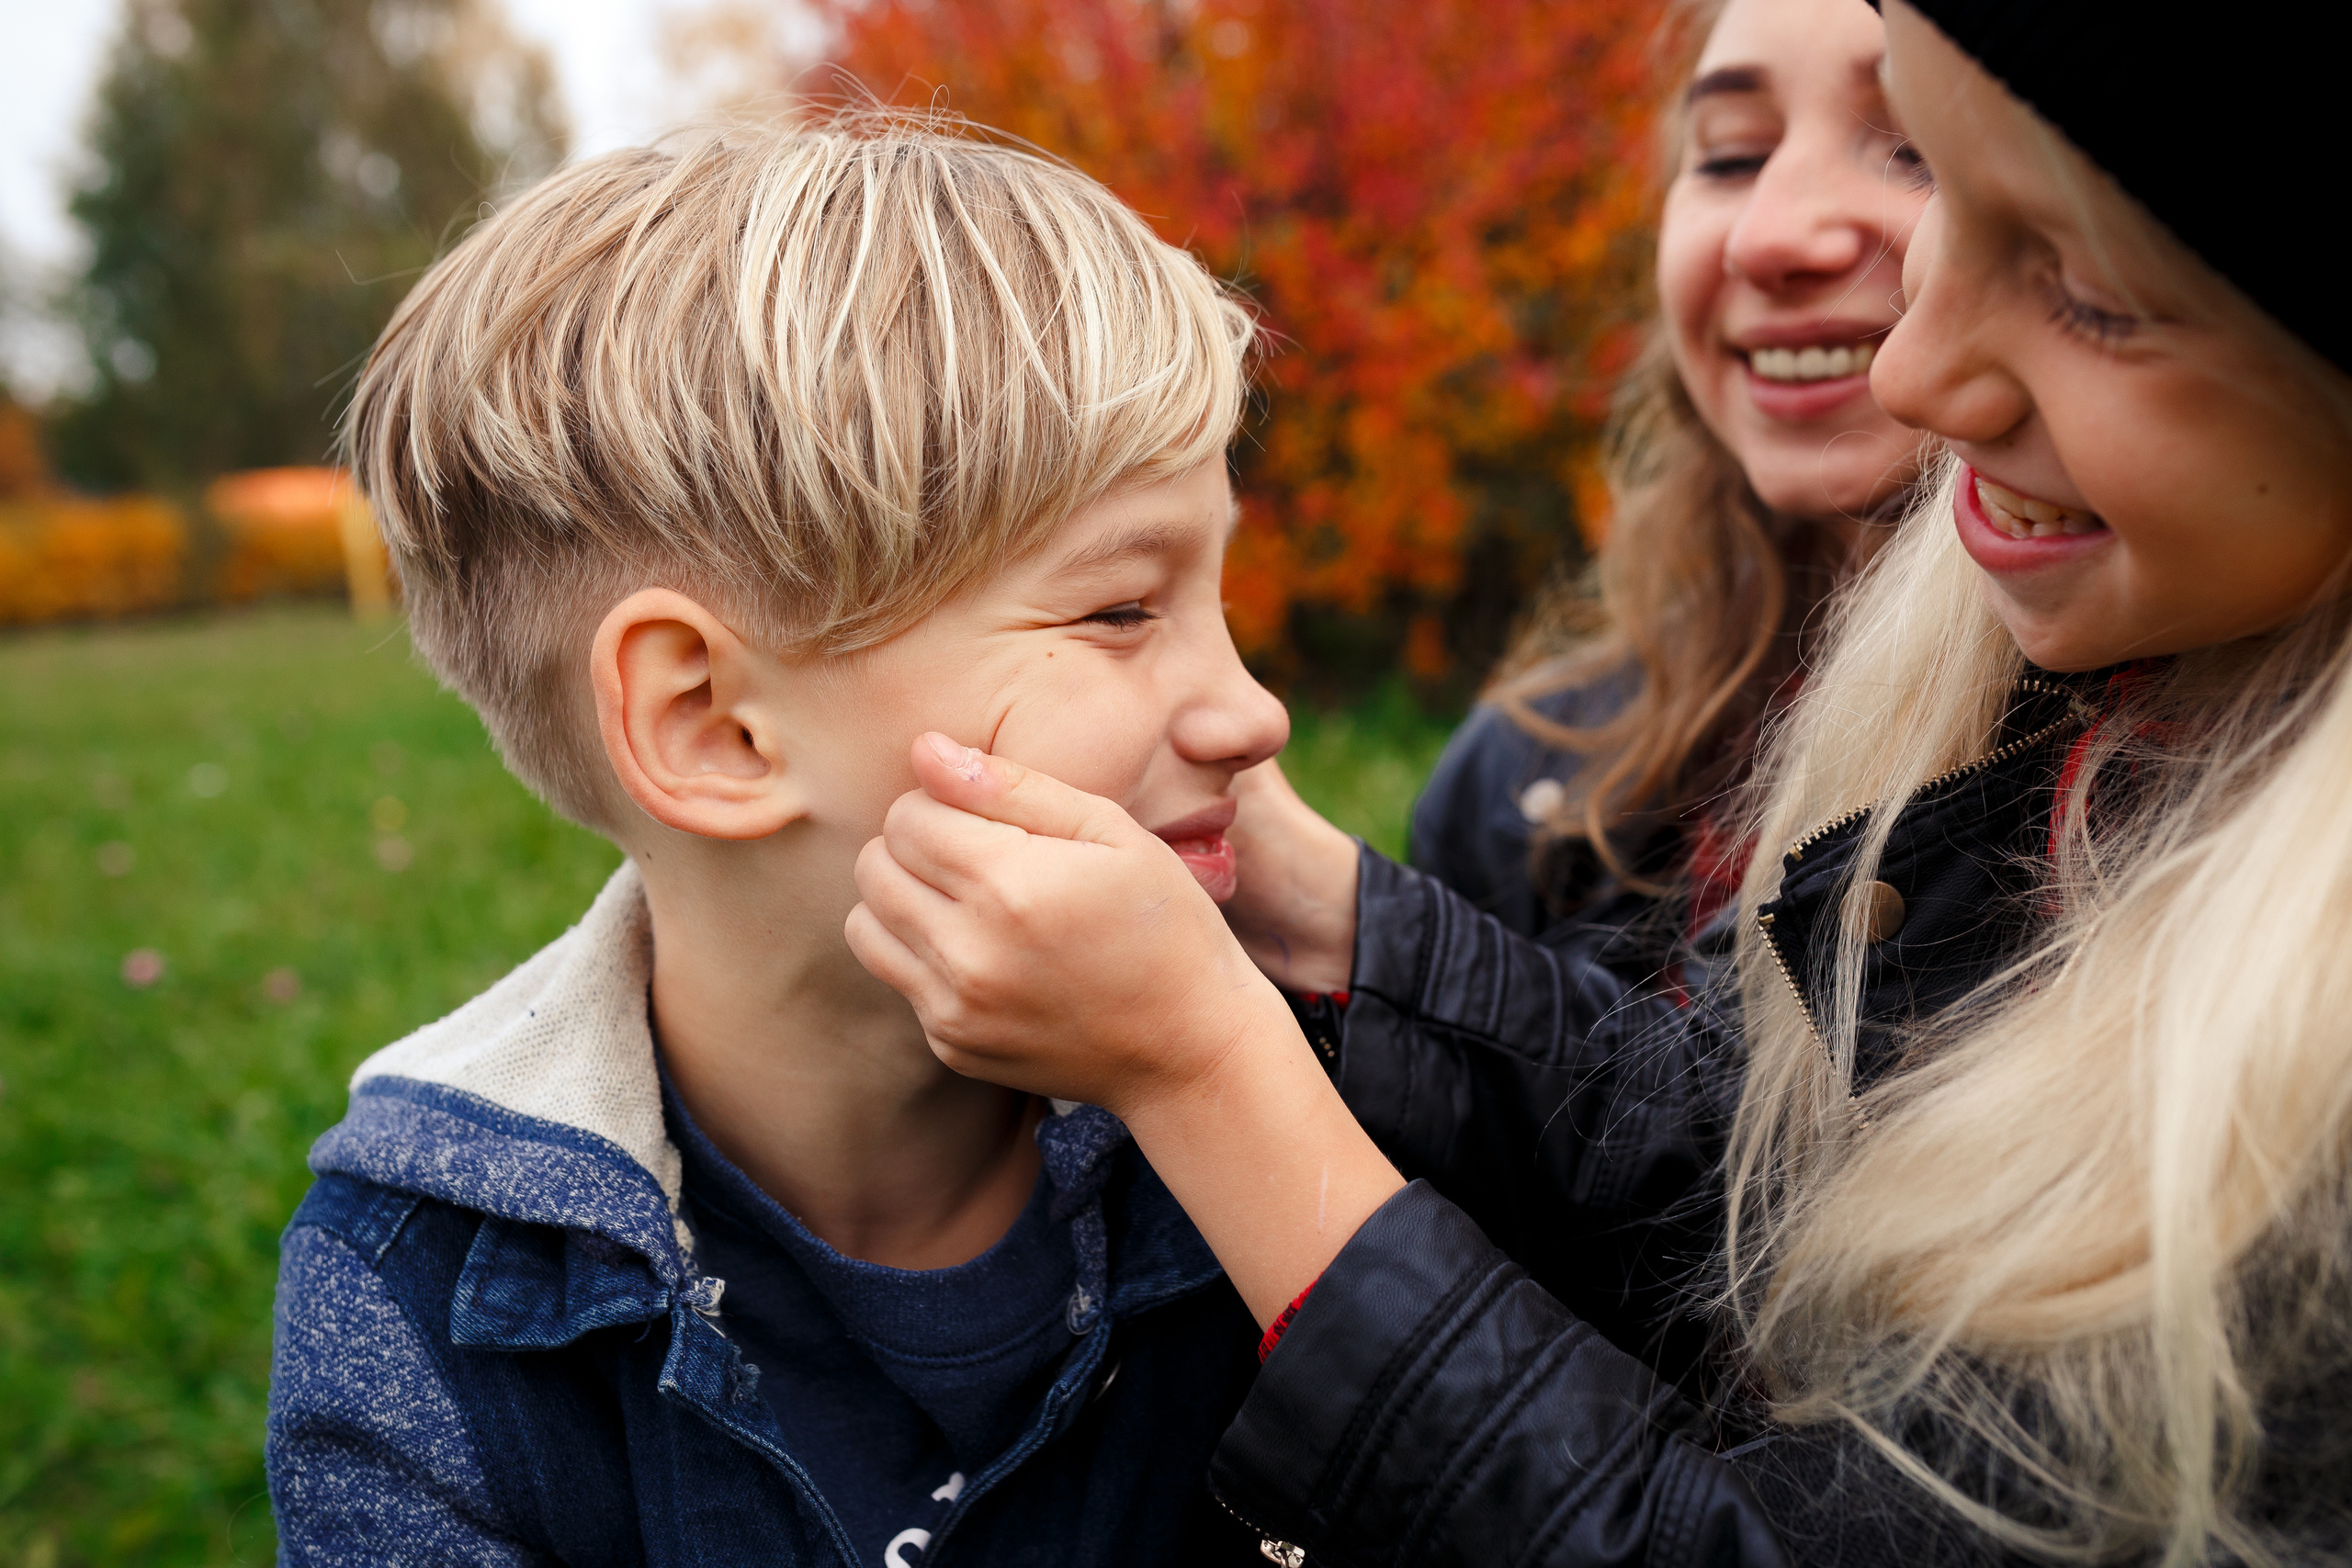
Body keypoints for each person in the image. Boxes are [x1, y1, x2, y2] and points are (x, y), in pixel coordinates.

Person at [844, 0, 2352, 1559]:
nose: (1914, 367)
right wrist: (1343, 921)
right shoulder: (2082, 714)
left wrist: (1209, 1075)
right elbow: (1755, 1178)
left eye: (2095, 292)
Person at [265, 118, 1294, 1565]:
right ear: (712, 724)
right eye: (1122, 608)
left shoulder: (1320, 1081)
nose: (1255, 710)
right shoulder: (419, 1305)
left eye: (1220, 595)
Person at [1399, 0, 1928, 948]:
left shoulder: (2196, 795)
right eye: (1729, 155)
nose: (1766, 235)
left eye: (1916, 144)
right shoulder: (1526, 777)